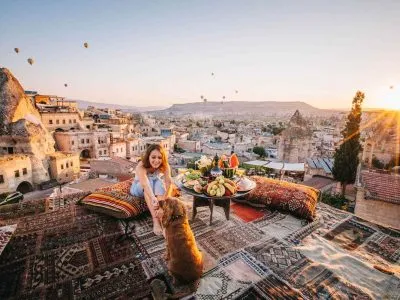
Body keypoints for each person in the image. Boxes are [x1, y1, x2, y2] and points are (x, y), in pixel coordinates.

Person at [130, 144, 172, 236]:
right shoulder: (141, 165)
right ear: (148, 156)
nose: (157, 160)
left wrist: (163, 205)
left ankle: (162, 218)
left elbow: (168, 183)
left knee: (159, 183)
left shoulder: (165, 165)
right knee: (150, 182)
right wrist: (153, 198)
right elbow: (145, 184)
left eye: (159, 158)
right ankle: (156, 220)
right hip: (138, 188)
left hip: (153, 185)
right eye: (153, 157)